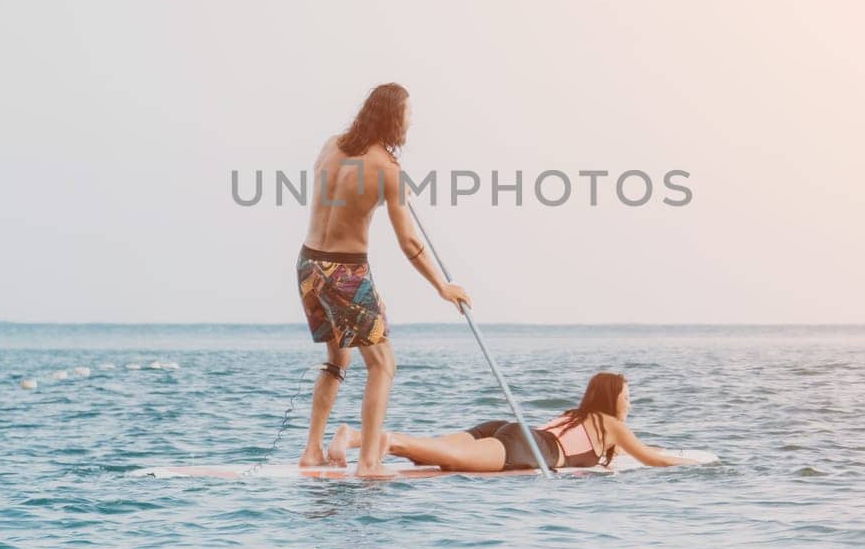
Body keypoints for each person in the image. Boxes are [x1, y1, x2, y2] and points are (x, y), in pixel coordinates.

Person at [296, 82, 471, 478]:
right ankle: (369, 462)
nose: (411, 122)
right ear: (393, 119)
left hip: (309, 265)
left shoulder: (330, 145)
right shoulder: (389, 170)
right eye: (407, 115)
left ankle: (311, 451)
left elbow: (336, 199)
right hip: (345, 270)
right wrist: (443, 287)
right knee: (383, 364)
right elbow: (409, 241)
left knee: (338, 359)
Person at [326, 372, 695, 472]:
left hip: (511, 428)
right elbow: (651, 459)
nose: (629, 403)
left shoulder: (578, 417)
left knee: (434, 452)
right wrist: (691, 463)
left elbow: (638, 452)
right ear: (611, 399)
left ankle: (355, 436)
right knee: (444, 457)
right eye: (626, 397)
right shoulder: (611, 425)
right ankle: (385, 442)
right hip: (528, 447)